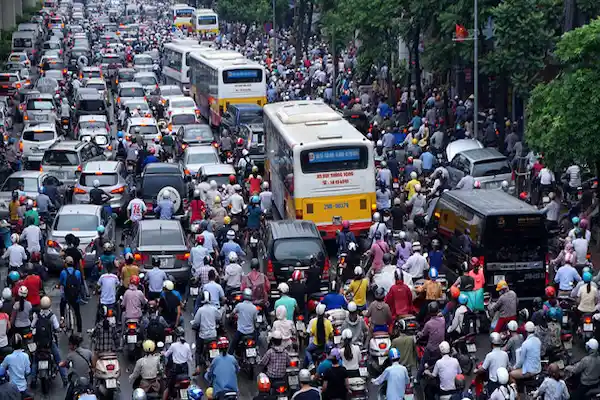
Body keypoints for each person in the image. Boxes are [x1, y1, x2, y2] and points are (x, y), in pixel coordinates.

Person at [31, 296, 68, 387]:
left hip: (39, 344)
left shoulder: (37, 315)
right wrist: (59, 329)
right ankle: (65, 378)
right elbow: (57, 328)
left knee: (35, 361)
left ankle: (33, 380)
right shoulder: (52, 316)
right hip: (49, 343)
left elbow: (32, 326)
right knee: (58, 359)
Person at [192, 291, 222, 373]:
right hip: (213, 335)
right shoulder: (214, 308)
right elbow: (219, 317)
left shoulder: (200, 310)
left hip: (203, 336)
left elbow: (196, 321)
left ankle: (197, 367)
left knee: (198, 351)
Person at [416, 302, 445, 379]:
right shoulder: (443, 320)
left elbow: (423, 334)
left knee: (422, 362)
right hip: (441, 348)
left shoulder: (428, 324)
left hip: (431, 348)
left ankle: (417, 379)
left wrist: (418, 334)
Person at [60, 334, 93, 399]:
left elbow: (64, 364)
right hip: (87, 382)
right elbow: (93, 365)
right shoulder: (88, 352)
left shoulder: (70, 355)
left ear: (74, 345)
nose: (69, 346)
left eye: (70, 344)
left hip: (76, 383)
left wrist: (60, 364)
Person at [228, 288, 258, 354]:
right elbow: (255, 320)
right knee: (256, 342)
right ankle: (257, 350)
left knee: (233, 345)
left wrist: (229, 316)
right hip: (251, 331)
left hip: (241, 331)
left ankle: (229, 357)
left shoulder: (239, 306)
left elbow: (232, 313)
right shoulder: (254, 308)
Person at [59, 256, 84, 333]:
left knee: (62, 305)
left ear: (66, 263)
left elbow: (61, 282)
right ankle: (79, 330)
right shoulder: (78, 272)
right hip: (75, 296)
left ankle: (62, 320)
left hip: (67, 296)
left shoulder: (63, 272)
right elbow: (79, 283)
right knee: (77, 313)